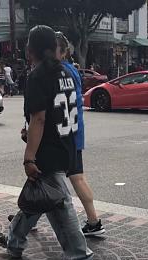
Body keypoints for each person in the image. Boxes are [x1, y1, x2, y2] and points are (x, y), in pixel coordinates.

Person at [0, 25, 94, 260]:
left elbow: (38, 119)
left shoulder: (39, 76)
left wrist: (29, 156)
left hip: (49, 149)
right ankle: (14, 241)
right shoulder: (68, 72)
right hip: (67, 142)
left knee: (59, 205)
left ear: (31, 50)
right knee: (38, 194)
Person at [55, 31, 106, 236]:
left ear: (62, 51)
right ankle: (93, 221)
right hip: (74, 131)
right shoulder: (72, 70)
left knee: (43, 178)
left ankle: (24, 222)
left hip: (63, 133)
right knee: (76, 178)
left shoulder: (58, 71)